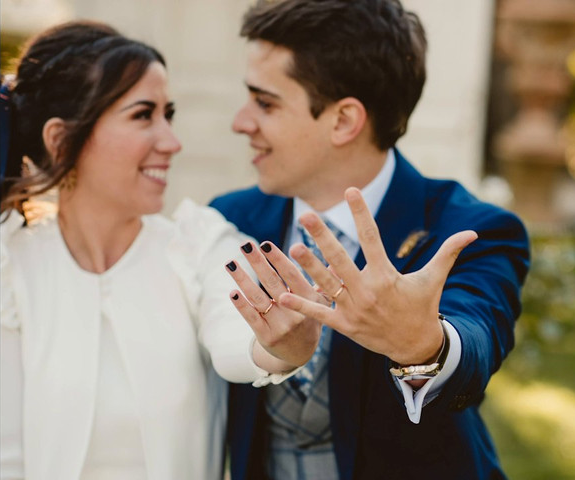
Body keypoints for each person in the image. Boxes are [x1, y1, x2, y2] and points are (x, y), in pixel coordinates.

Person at [208, 1, 531, 478]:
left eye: (266, 102)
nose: (241, 122)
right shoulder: (230, 221)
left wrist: (426, 345)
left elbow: (477, 344)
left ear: (343, 120)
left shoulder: (466, 231)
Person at [0, 20, 320, 479]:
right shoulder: (11, 266)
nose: (172, 142)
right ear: (61, 139)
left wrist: (281, 347)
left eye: (168, 115)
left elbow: (236, 338)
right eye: (142, 115)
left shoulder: (198, 242)